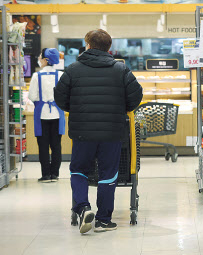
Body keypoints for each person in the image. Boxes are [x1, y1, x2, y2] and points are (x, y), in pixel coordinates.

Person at [54, 29, 143, 234]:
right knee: (108, 175)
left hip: (82, 132)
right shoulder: (121, 70)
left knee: (78, 170)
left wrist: (75, 109)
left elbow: (60, 98)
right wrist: (122, 107)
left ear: (88, 45)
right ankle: (103, 220)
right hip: (112, 132)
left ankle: (83, 207)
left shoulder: (73, 69)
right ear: (108, 48)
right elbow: (135, 97)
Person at [28, 48, 65, 183]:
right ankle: (55, 174)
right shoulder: (61, 75)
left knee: (43, 146)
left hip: (41, 115)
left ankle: (46, 174)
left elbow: (32, 96)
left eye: (40, 56)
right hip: (57, 114)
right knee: (56, 145)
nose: (39, 59)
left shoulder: (36, 76)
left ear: (45, 60)